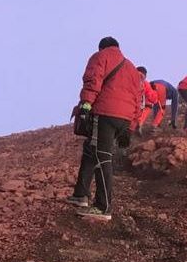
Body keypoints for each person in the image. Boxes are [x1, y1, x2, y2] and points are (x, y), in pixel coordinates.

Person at [66, 37, 143, 221]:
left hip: (106, 114)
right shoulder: (132, 68)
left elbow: (93, 81)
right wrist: (131, 127)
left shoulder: (101, 57)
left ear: (102, 47)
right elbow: (139, 99)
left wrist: (85, 106)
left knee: (102, 157)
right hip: (124, 118)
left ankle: (103, 207)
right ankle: (80, 195)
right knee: (91, 151)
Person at [135, 66, 160, 134]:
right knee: (148, 105)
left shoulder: (127, 78)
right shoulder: (145, 83)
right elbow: (153, 99)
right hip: (137, 105)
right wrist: (154, 90)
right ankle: (139, 123)